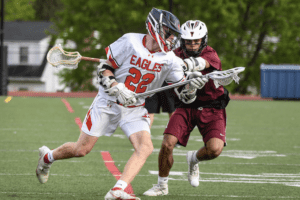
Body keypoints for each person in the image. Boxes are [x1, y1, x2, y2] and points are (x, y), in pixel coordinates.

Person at [36, 9, 208, 200]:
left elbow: (184, 97)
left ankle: (117, 190)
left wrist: (192, 87)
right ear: (155, 28)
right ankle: (47, 157)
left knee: (145, 147)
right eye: (169, 33)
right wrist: (116, 86)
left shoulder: (170, 59)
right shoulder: (130, 41)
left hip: (135, 107)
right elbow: (105, 68)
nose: (171, 39)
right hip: (108, 102)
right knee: (81, 149)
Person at [143, 20, 230, 196]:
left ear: (203, 40)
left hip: (212, 106)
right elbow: (163, 75)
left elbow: (202, 63)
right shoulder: (174, 54)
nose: (192, 45)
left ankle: (193, 159)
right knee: (167, 144)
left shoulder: (210, 54)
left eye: (196, 41)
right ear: (182, 41)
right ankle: (161, 185)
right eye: (188, 41)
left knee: (214, 150)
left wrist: (185, 67)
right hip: (186, 105)